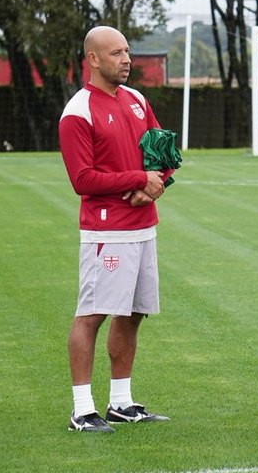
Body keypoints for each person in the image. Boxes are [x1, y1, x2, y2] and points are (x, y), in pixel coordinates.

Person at [59, 25, 174, 432]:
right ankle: (81, 409)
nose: (126, 60)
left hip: (144, 227)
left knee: (135, 312)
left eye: (127, 52)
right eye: (116, 53)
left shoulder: (138, 100)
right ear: (93, 59)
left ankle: (121, 403)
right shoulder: (78, 111)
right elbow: (82, 180)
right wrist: (136, 179)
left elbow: (165, 153)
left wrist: (156, 184)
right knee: (92, 315)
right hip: (107, 232)